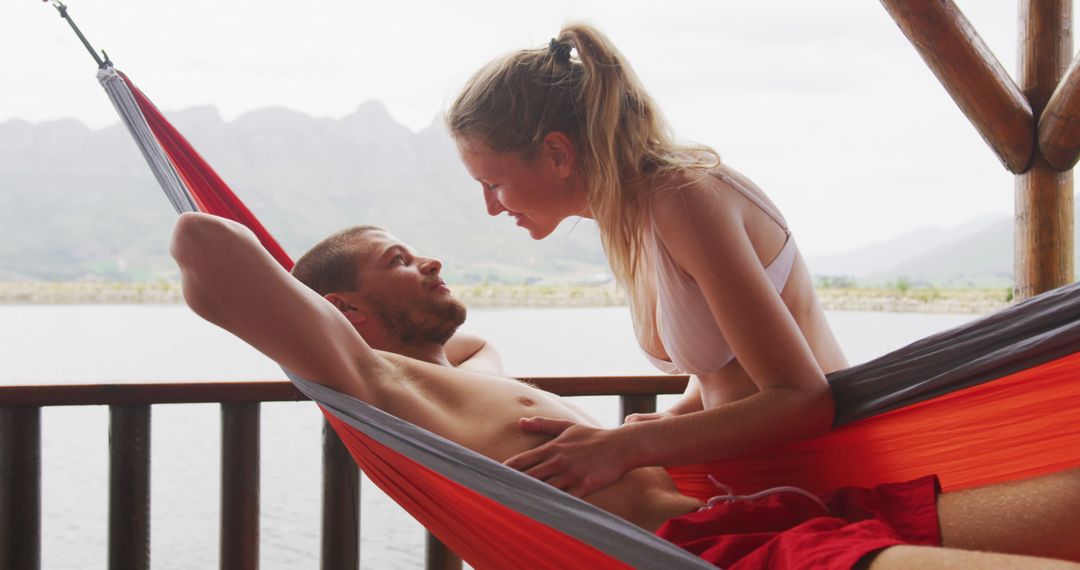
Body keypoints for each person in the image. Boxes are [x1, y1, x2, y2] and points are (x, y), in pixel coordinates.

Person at [170, 212, 1080, 570]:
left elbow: (472, 341)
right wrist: (323, 333)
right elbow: (202, 246)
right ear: (344, 315)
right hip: (712, 557)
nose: (432, 259)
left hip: (769, 514)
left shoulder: (465, 377)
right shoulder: (382, 387)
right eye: (400, 260)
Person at [447, 24, 847, 499]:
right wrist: (653, 425)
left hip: (820, 486)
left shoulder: (684, 199)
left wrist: (627, 446)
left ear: (557, 153)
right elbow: (726, 366)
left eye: (493, 184)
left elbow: (803, 400)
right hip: (754, 486)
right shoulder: (633, 214)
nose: (491, 208)